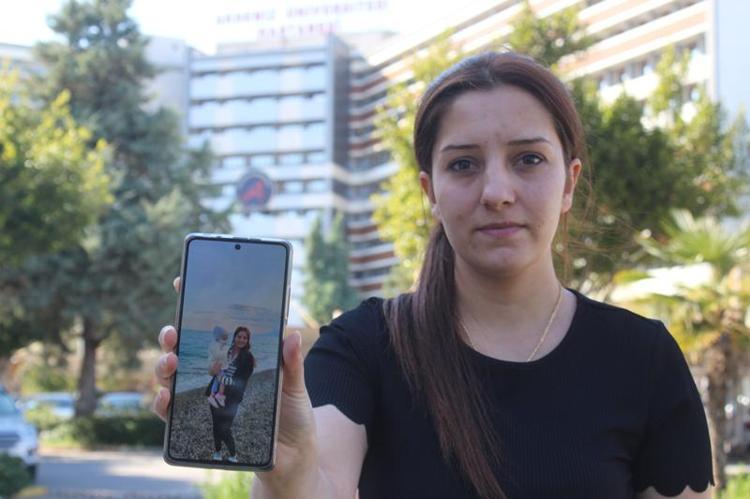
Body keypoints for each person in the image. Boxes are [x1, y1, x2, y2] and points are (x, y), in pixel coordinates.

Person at [154, 52, 714, 498]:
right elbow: (322, 483)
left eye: (528, 159)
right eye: (463, 164)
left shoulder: (644, 358)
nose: (497, 192)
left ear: (568, 183)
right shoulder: (363, 348)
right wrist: (292, 472)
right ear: (431, 193)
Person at [205, 326, 255, 462]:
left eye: (245, 338)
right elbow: (213, 369)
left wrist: (222, 378)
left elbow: (242, 380)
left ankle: (233, 455)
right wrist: (213, 370)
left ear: (247, 340)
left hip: (232, 397)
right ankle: (217, 452)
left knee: (225, 428)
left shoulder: (248, 358)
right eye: (239, 336)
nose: (241, 340)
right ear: (234, 337)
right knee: (216, 424)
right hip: (215, 393)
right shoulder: (226, 350)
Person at [207, 325, 229, 408]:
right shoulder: (216, 344)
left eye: (226, 338)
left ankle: (213, 396)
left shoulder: (218, 344)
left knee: (217, 381)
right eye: (224, 337)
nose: (226, 340)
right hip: (218, 366)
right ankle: (219, 395)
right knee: (222, 381)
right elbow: (218, 355)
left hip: (219, 366)